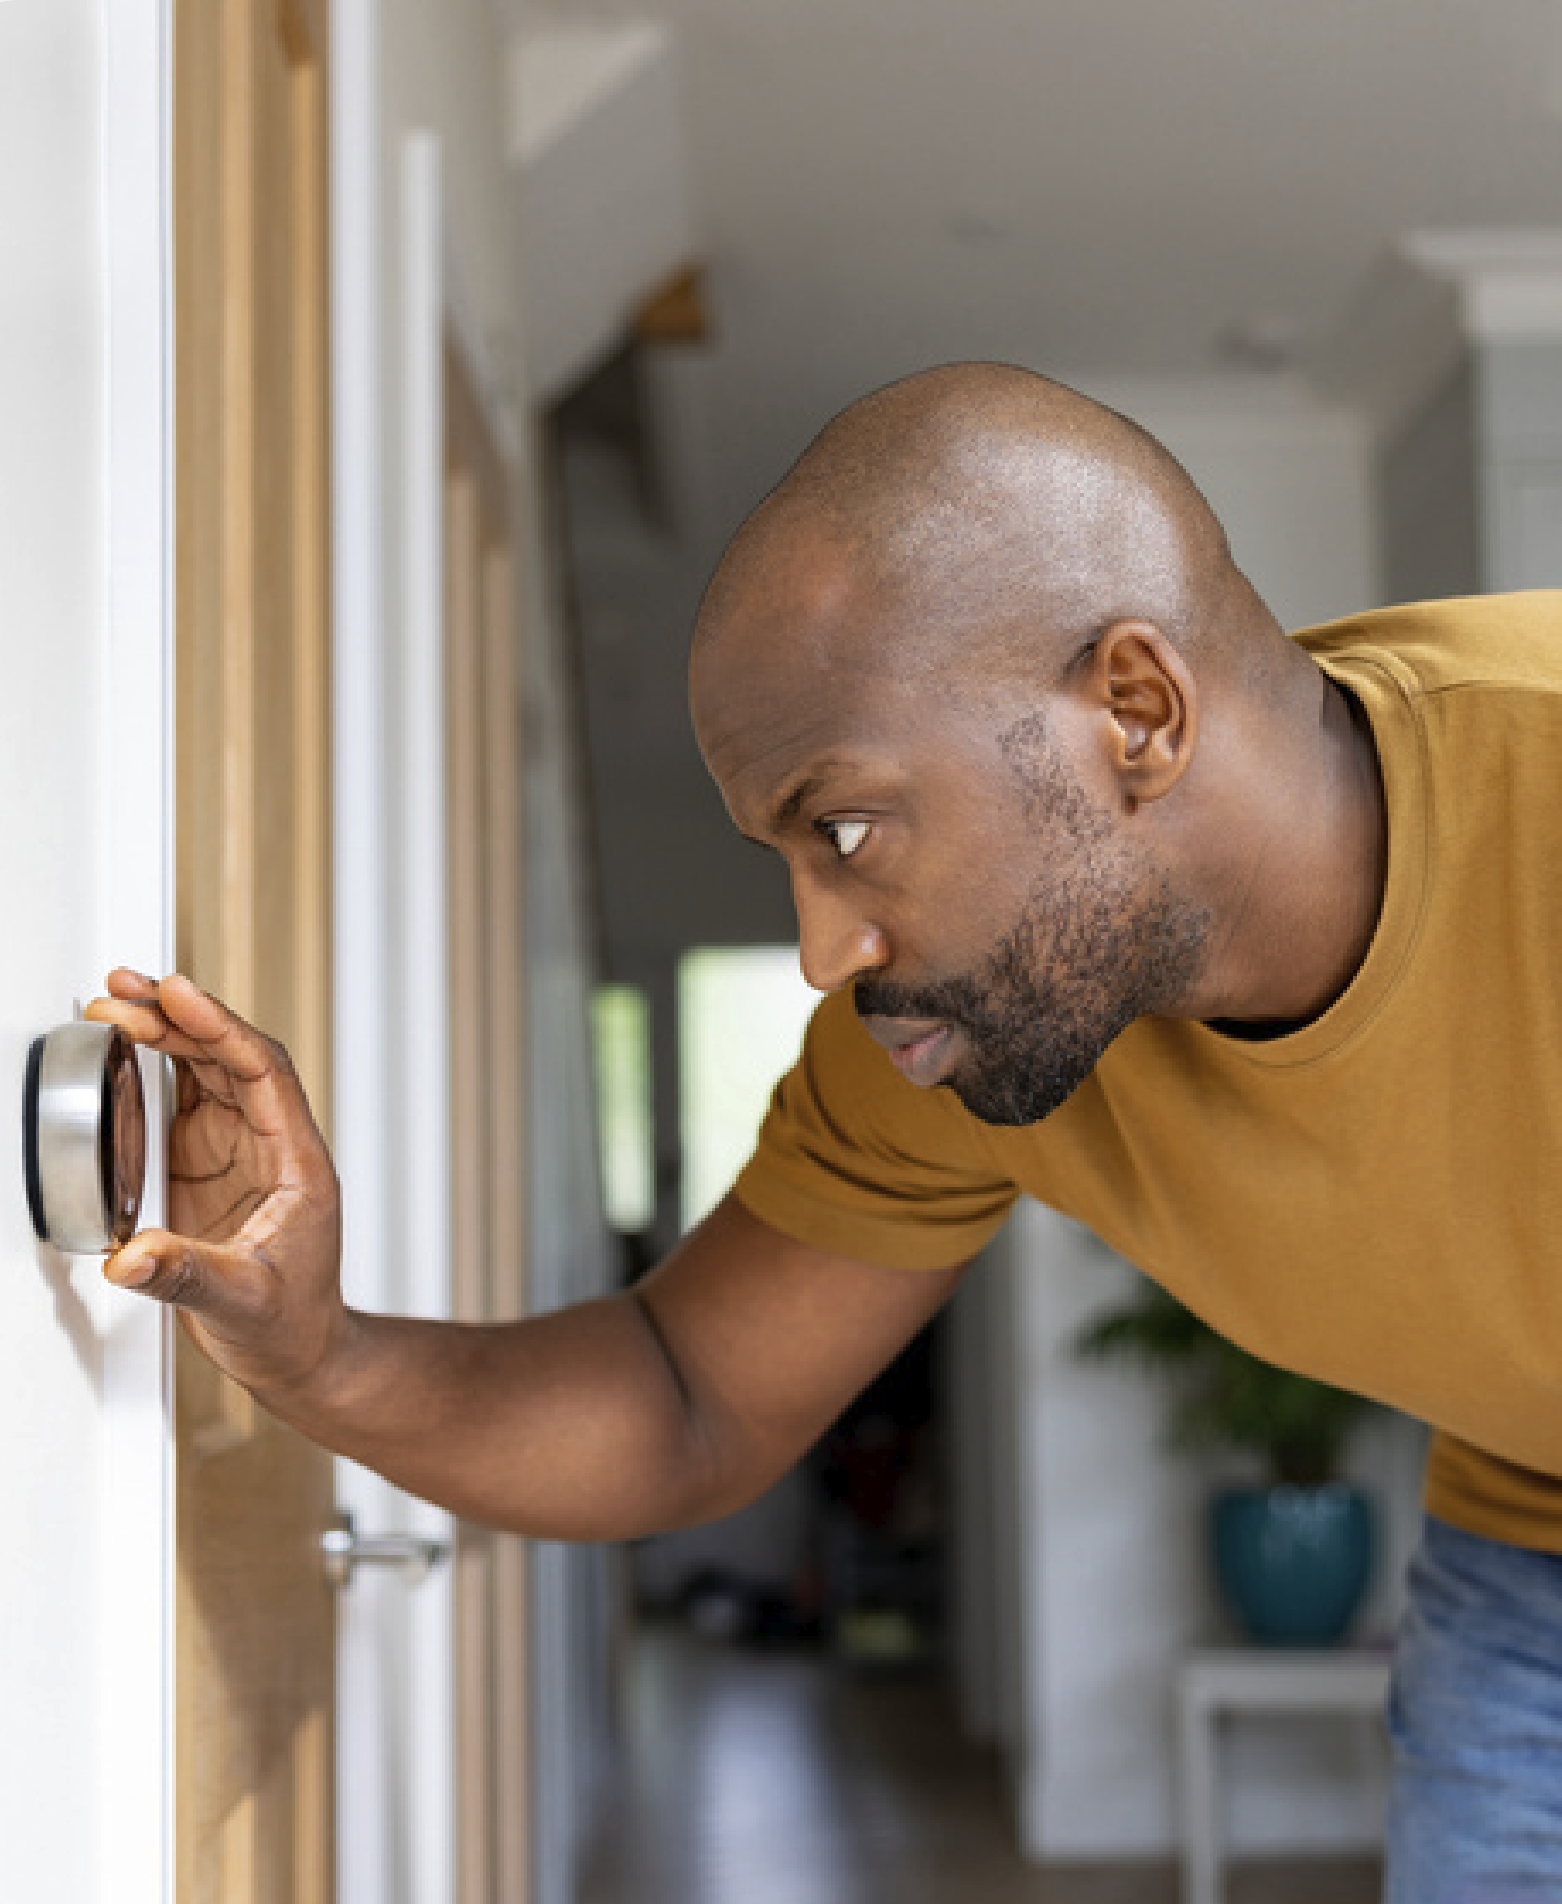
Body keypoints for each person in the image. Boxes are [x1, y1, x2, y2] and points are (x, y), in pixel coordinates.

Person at [90, 363, 1562, 1901]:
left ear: (1133, 712)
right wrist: (316, 1352)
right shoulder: (936, 1041)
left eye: (843, 827)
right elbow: (686, 1398)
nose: (820, 948)